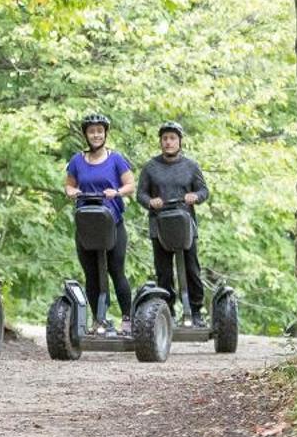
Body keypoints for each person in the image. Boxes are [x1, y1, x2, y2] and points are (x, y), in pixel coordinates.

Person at [63, 112, 135, 335]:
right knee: (92, 274)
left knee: (116, 271)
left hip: (111, 223)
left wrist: (117, 192)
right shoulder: (77, 160)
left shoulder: (116, 159)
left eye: (99, 131)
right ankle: (99, 320)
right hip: (87, 225)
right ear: (86, 134)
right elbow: (69, 186)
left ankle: (127, 319)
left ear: (105, 134)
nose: (96, 135)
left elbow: (130, 184)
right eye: (92, 131)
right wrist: (73, 192)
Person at [139, 120, 211, 325]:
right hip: (160, 226)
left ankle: (195, 312)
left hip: (185, 225)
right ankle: (166, 312)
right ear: (160, 142)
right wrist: (151, 201)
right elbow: (141, 195)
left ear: (179, 141)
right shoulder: (151, 167)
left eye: (172, 138)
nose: (168, 142)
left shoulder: (190, 166)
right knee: (163, 272)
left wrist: (195, 196)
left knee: (192, 269)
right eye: (165, 139)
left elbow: (204, 191)